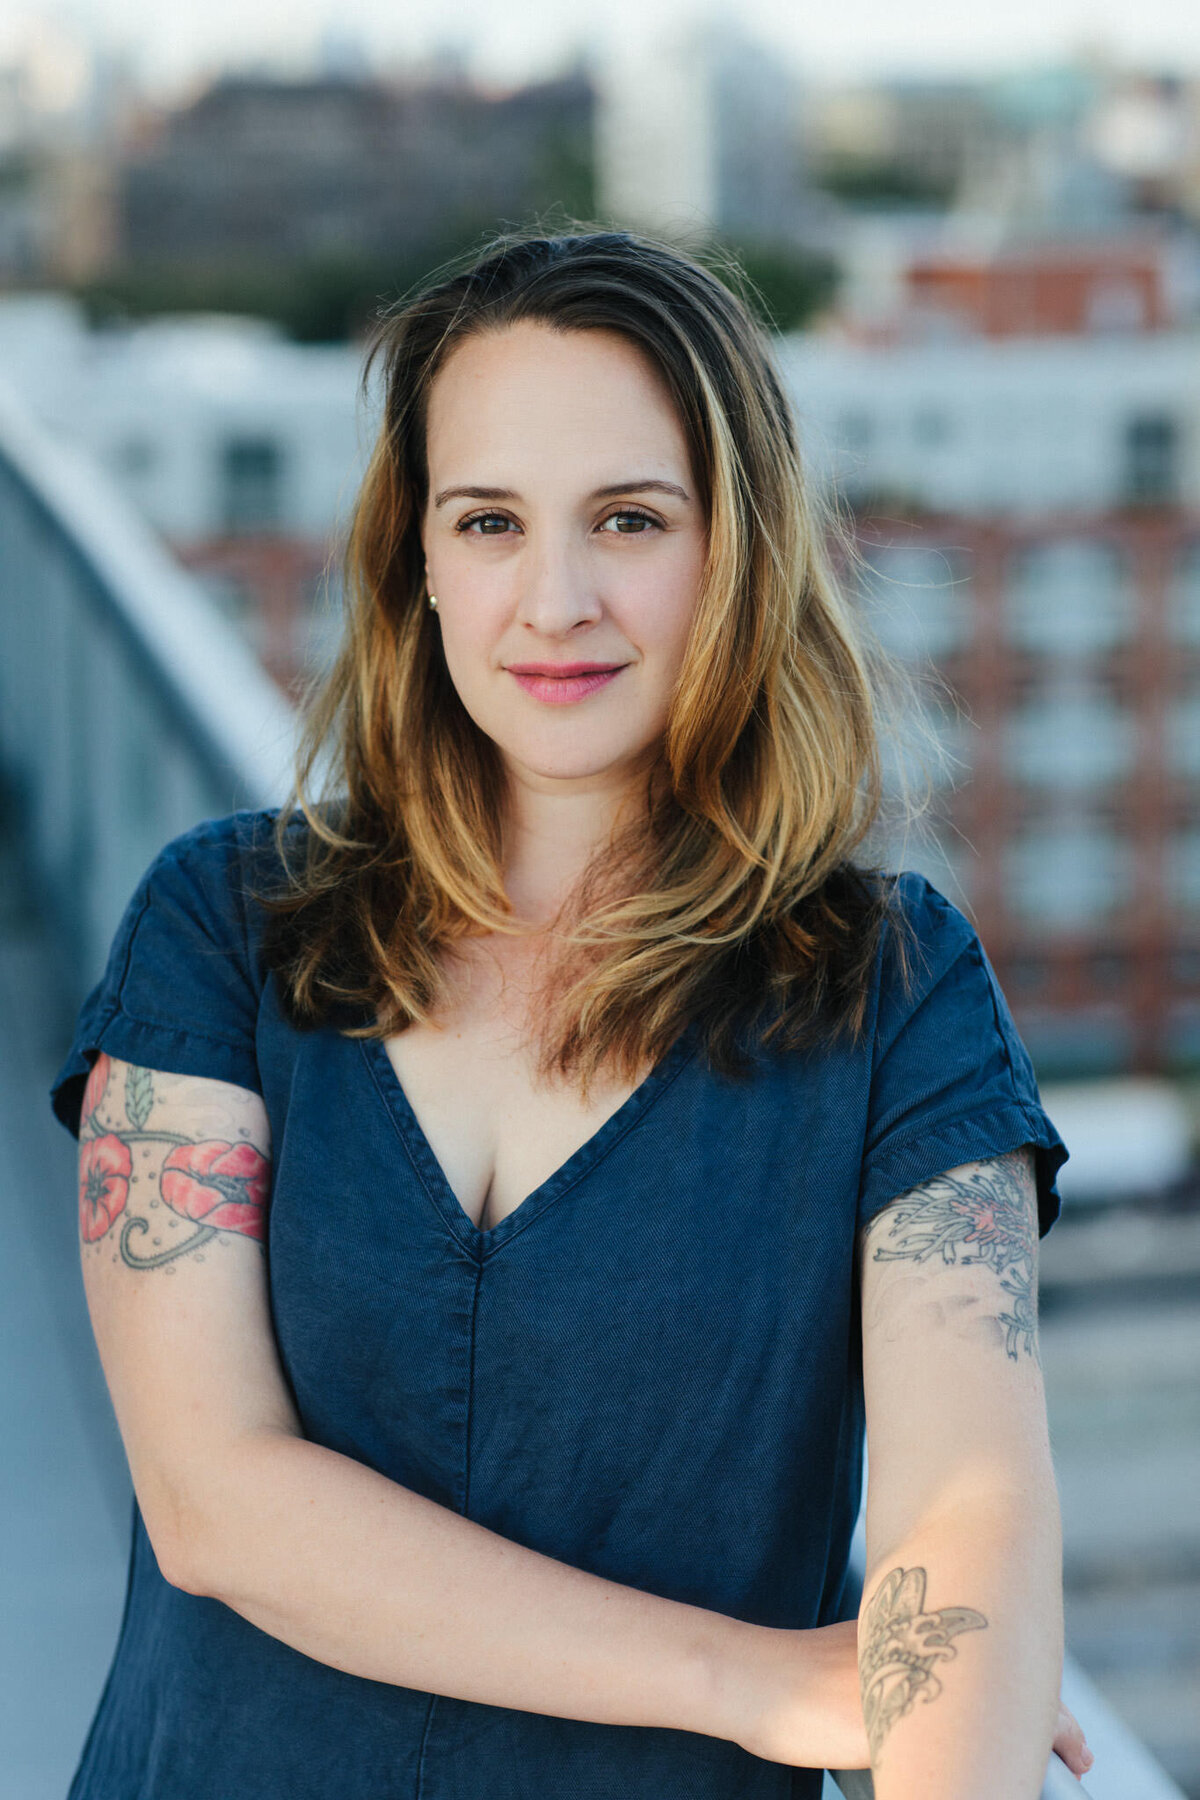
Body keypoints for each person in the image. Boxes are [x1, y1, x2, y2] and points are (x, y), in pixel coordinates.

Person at [51, 227, 1093, 1799]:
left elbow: (970, 1525)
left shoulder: (890, 989)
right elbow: (217, 1504)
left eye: (628, 518)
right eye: (487, 522)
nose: (556, 599)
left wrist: (962, 1717)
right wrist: (750, 1684)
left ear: (734, 549)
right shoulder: (223, 926)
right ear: (418, 560)